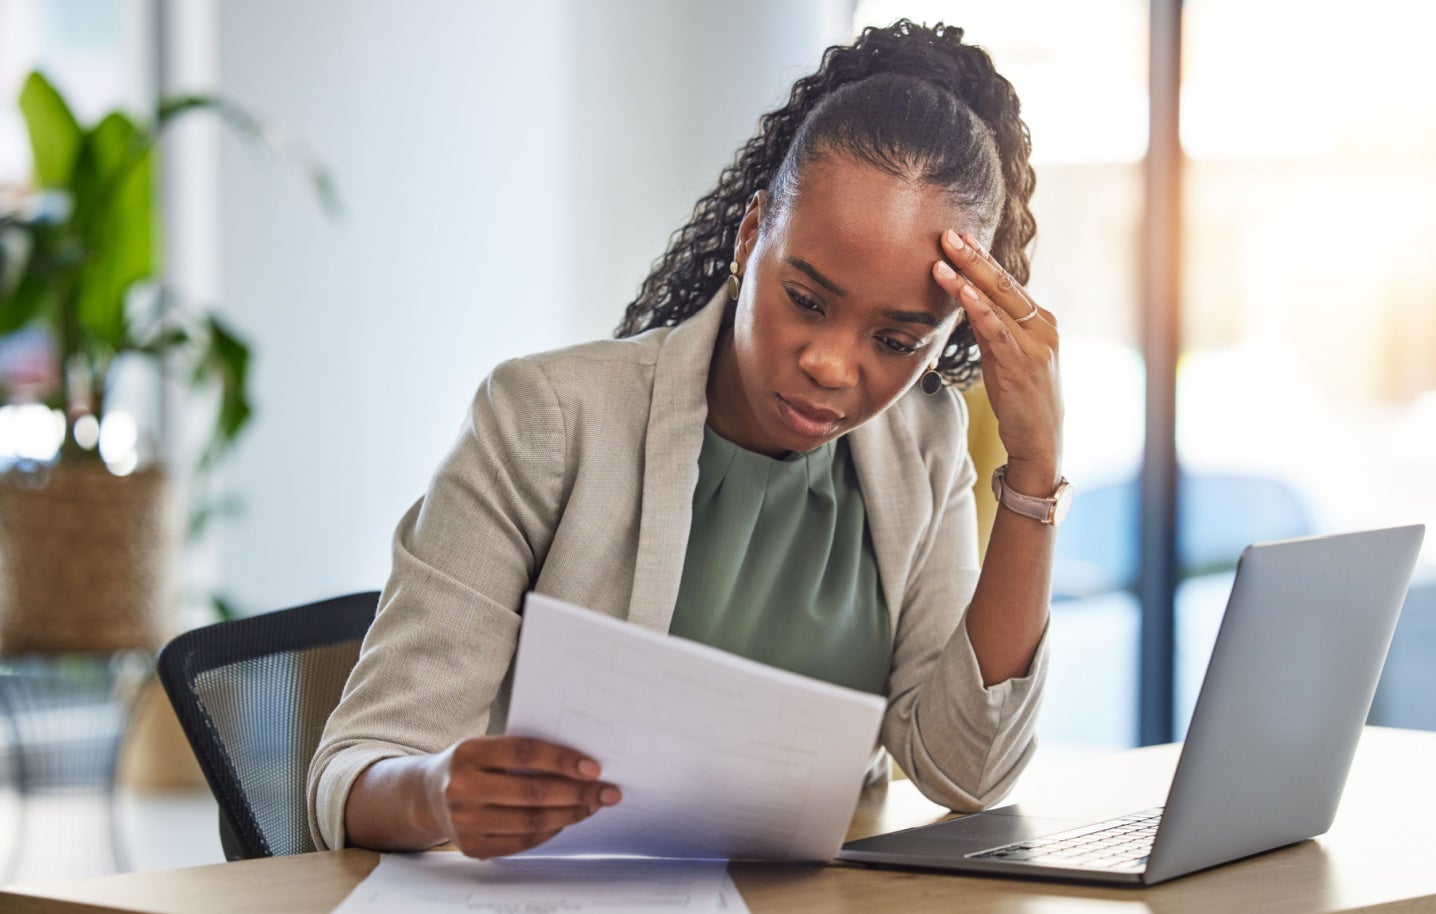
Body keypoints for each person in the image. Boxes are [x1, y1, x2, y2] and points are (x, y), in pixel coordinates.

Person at [307, 19, 1066, 860]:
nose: (830, 366)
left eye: (896, 341)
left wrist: (1034, 475)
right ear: (750, 239)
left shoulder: (920, 445)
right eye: (807, 300)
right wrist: (437, 795)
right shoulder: (547, 418)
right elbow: (355, 769)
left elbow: (966, 770)